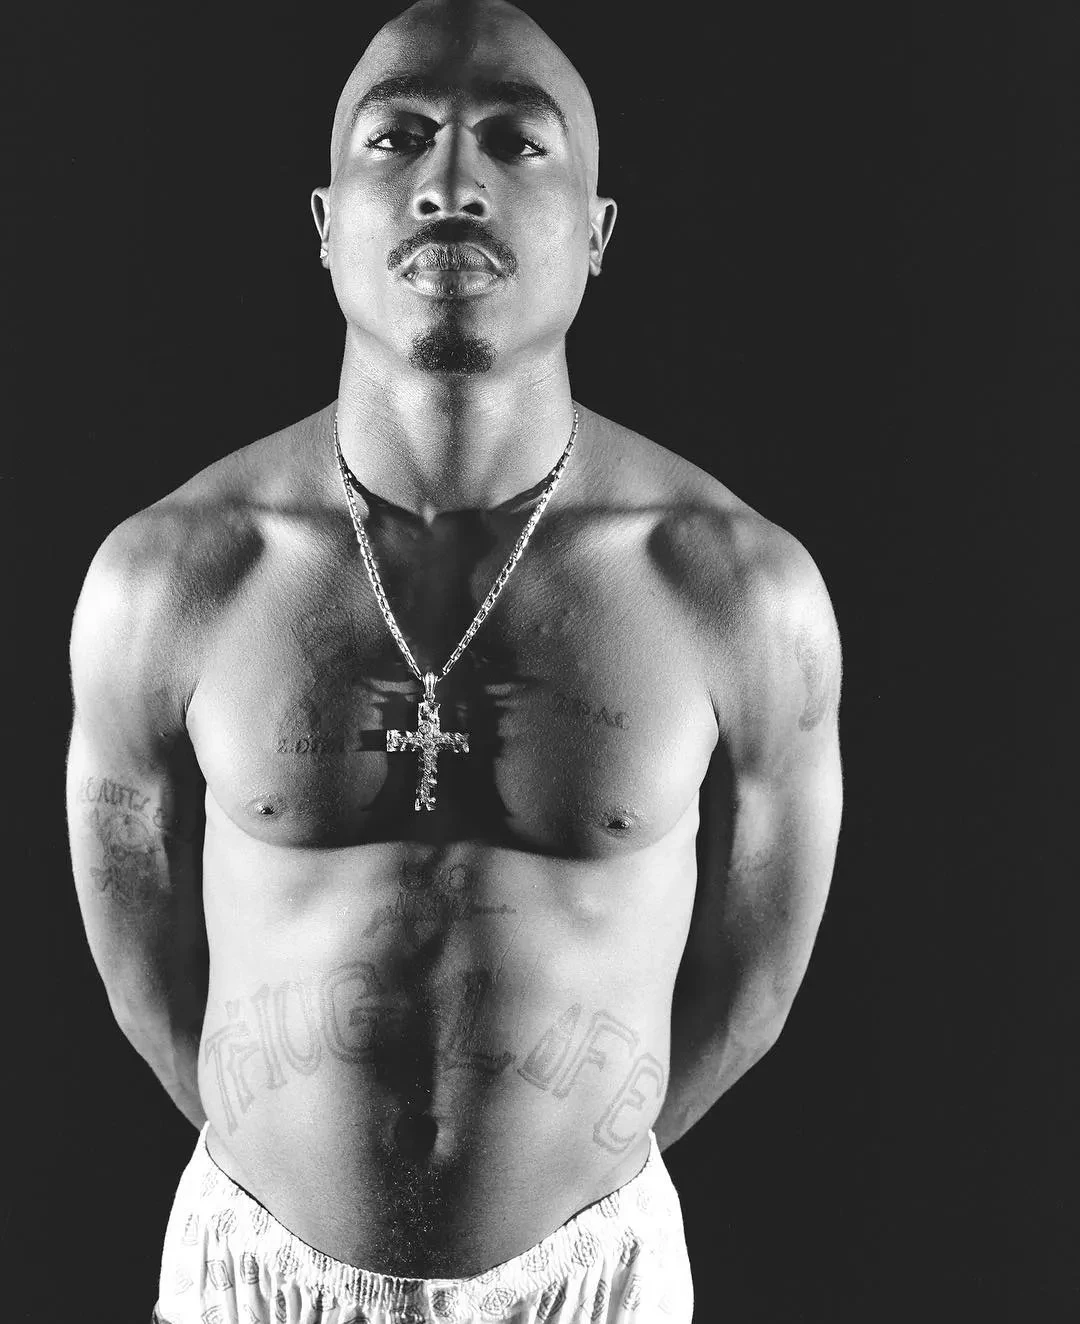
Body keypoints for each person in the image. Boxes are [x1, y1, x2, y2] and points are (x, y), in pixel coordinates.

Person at [66, 1, 843, 1319]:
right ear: (326, 224)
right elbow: (139, 957)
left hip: (589, 1277)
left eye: (515, 142)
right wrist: (287, 1164)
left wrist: (571, 1177)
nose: (450, 182)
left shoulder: (737, 590)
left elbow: (753, 988)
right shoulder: (171, 577)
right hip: (258, 1273)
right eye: (401, 136)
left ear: (597, 234)